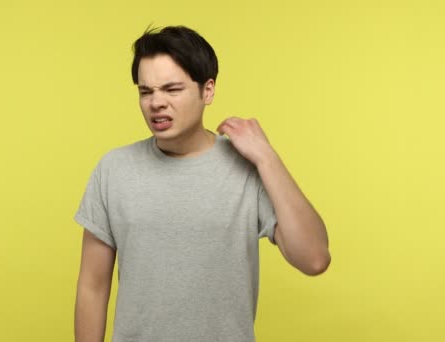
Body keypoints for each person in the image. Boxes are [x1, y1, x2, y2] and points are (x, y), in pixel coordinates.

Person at [73, 25, 331, 342]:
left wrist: (267, 157)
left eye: (172, 89)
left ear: (207, 91)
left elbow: (314, 258)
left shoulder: (247, 166)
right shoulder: (113, 170)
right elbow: (92, 285)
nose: (156, 103)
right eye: (146, 91)